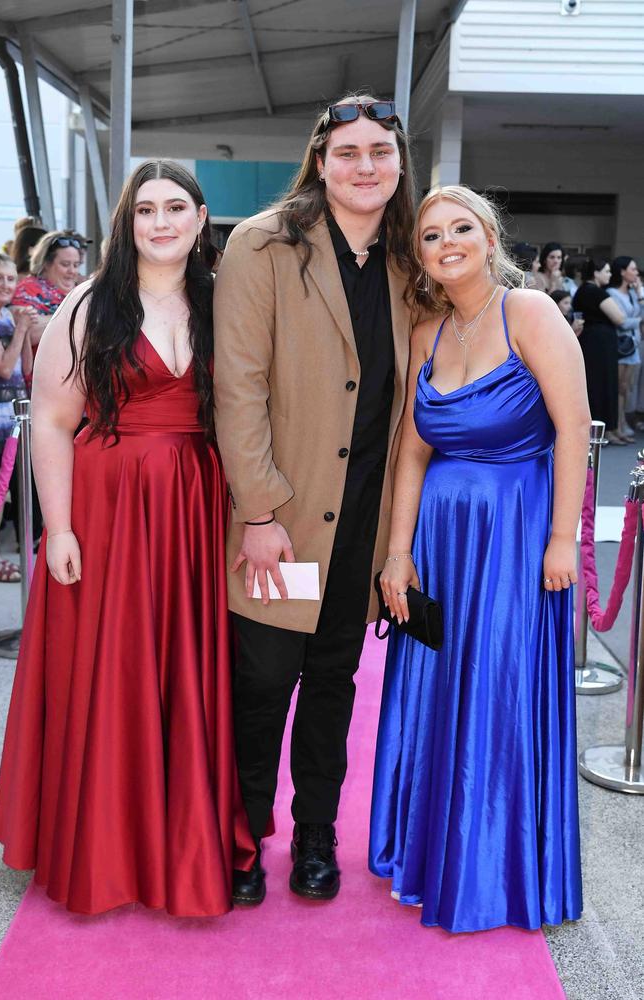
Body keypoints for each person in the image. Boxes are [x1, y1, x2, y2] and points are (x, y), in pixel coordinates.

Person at [0, 159, 255, 916]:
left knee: (185, 667)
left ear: (202, 219)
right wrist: (62, 527)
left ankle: (181, 840)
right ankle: (104, 844)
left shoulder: (224, 303)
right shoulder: (90, 303)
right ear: (127, 222)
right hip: (109, 507)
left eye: (177, 207)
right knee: (111, 669)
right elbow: (50, 419)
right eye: (146, 210)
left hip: (199, 506)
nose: (162, 222)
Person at [369, 184, 588, 933]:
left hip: (515, 537)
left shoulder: (528, 313)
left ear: (490, 238)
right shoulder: (426, 327)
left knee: (498, 685)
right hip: (439, 542)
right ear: (422, 256)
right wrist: (398, 555)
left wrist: (564, 538)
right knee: (432, 682)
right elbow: (411, 452)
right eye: (432, 235)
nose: (448, 243)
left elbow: (572, 430)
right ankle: (426, 851)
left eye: (462, 228)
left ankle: (493, 867)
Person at [213, 94, 415, 905]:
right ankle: (241, 837)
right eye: (349, 152)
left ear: (400, 162)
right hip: (287, 522)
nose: (365, 167)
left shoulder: (411, 256)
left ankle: (318, 840)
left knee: (335, 683)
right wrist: (258, 513)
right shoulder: (264, 243)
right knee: (262, 683)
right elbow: (238, 386)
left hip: (364, 523)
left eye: (380, 152)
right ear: (320, 160)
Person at [0, 253, 35, 582]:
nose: (6, 285)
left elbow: (25, 368)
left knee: (4, 491)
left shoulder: (8, 316)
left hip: (14, 419)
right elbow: (4, 369)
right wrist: (22, 328)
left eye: (10, 279)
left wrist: (22, 330)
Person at [573, 258, 625, 445]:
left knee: (596, 385)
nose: (610, 275)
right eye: (606, 271)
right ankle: (606, 429)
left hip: (593, 343)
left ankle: (605, 429)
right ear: (595, 272)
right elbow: (619, 317)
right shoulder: (594, 291)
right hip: (599, 346)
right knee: (603, 385)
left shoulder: (582, 290)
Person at [11, 231, 81, 352]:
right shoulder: (27, 288)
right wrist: (74, 315)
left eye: (76, 265)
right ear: (45, 264)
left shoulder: (77, 292)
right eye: (65, 264)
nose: (72, 271)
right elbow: (29, 333)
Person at [607, 256, 644, 442]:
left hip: (632, 346)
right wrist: (638, 321)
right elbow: (622, 322)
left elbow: (638, 313)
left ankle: (622, 424)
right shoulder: (612, 293)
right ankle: (617, 425)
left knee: (625, 388)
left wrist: (639, 293)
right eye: (633, 269)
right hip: (621, 346)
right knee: (619, 387)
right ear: (622, 271)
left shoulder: (631, 293)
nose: (636, 273)